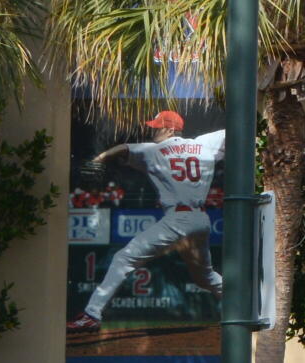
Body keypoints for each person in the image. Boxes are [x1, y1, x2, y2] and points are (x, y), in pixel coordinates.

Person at [66, 109, 227, 335]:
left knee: (124, 258)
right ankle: (241, 308)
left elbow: (124, 148)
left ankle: (91, 314)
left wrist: (99, 158)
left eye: (157, 127)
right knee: (205, 277)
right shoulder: (204, 144)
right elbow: (235, 133)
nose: (152, 131)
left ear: (170, 129)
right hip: (200, 219)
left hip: (177, 219)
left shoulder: (154, 150)